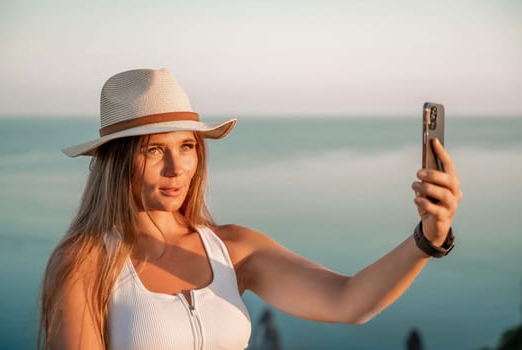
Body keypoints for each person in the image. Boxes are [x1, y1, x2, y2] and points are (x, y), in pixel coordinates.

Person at [38, 68, 462, 350]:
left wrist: (428, 238)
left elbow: (348, 301)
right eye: (154, 150)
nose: (176, 168)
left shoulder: (234, 247)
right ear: (118, 161)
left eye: (187, 146)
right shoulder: (86, 263)